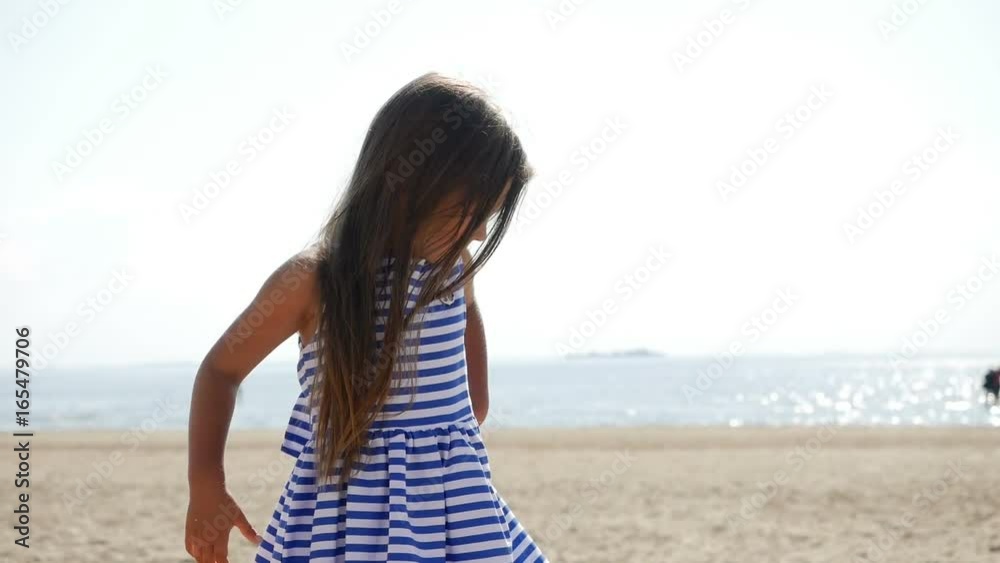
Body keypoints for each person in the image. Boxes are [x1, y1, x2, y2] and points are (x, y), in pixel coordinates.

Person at [185, 72, 547, 562]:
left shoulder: (453, 267)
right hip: (341, 522)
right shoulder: (313, 280)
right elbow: (220, 371)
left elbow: (473, 390)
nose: (481, 233)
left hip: (453, 515)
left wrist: (448, 442)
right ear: (416, 185)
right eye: (473, 211)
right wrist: (208, 486)